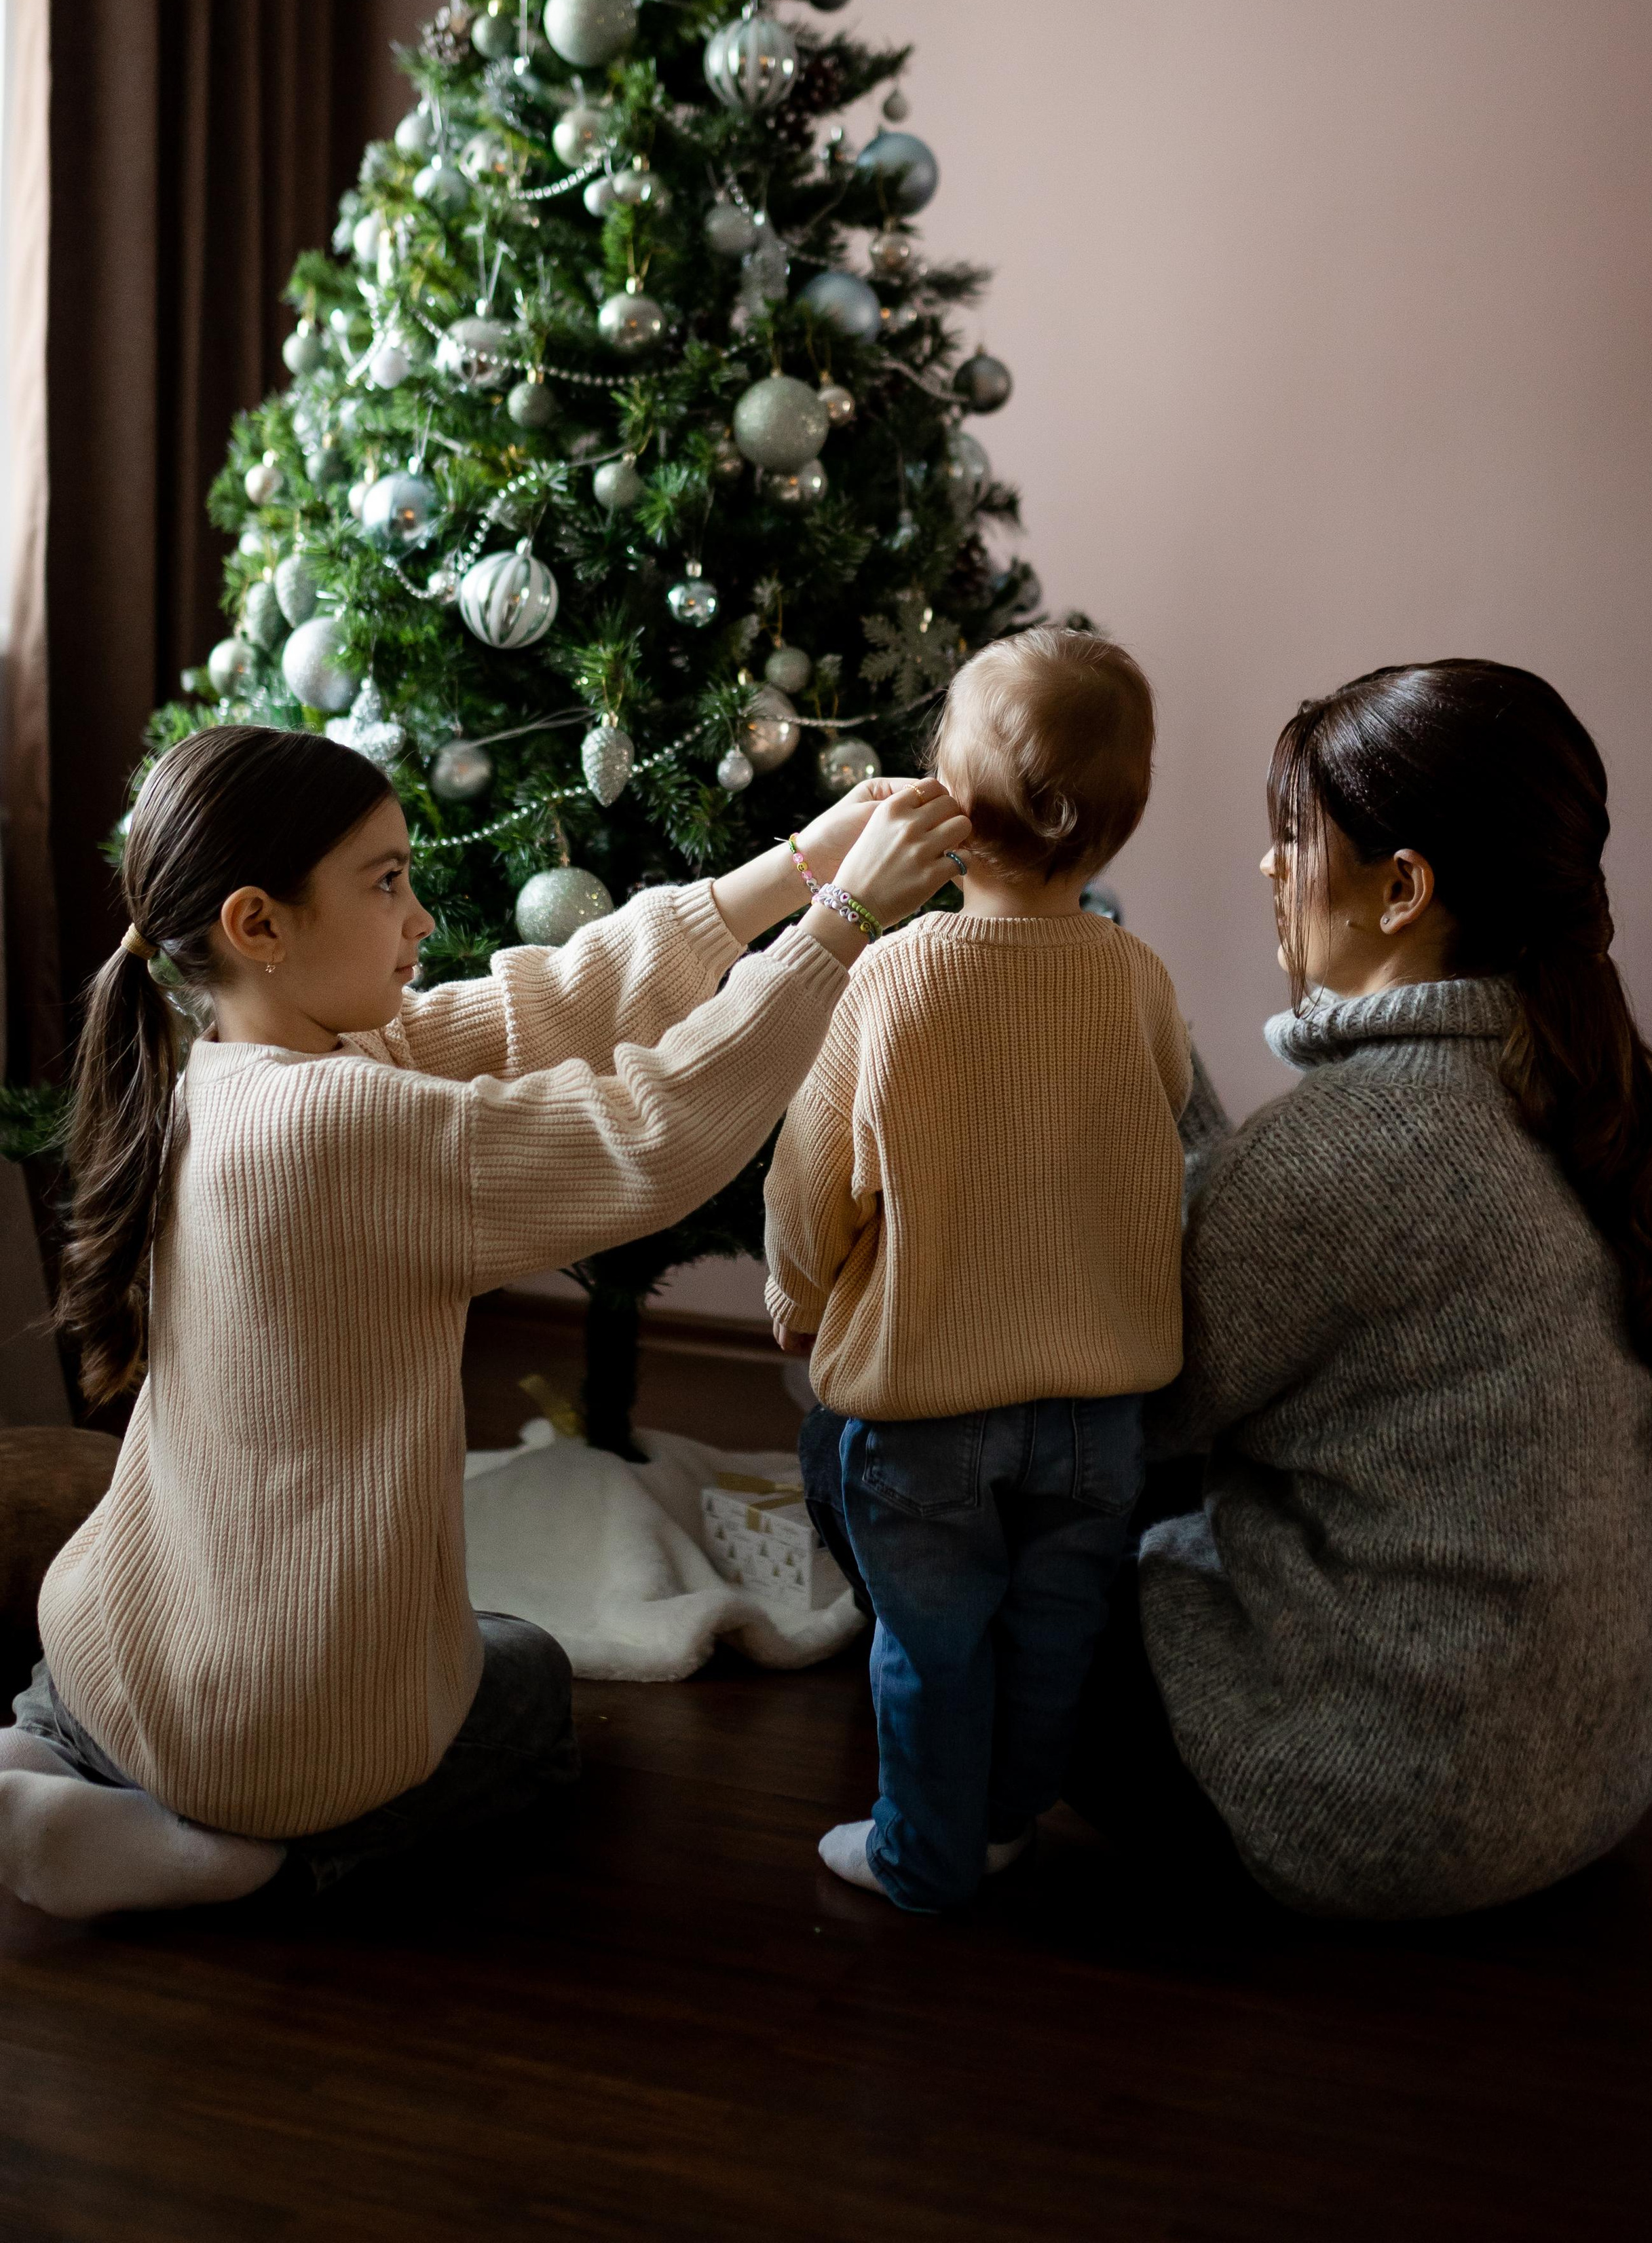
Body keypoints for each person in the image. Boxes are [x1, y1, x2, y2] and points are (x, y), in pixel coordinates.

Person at [0, 724, 970, 1922]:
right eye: (386, 882)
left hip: (116, 1638)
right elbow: (648, 1130)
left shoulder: (221, 1067)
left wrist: (795, 867)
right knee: (526, 1684)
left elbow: (535, 1010)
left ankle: (67, 1751)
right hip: (269, 1719)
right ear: (260, 924)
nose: (419, 919)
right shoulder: (337, 1128)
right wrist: (843, 929)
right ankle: (231, 1854)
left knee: (244, 1664)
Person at [1071, 659, 1652, 1920]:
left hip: (1382, 1813)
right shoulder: (1568, 1084)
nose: (1270, 868)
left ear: (1404, 888)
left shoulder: (1354, 1147)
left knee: (899, 1468)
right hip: (1586, 1780)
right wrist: (1156, 1053)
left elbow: (1141, 1405)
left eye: (1293, 836)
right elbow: (1275, 1254)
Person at [765, 629, 1192, 1910]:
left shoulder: (893, 975)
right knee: (1055, 1628)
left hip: (926, 1406)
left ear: (951, 808)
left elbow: (812, 1173)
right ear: (1112, 833)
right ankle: (1005, 1821)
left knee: (933, 1642)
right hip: (1098, 1408)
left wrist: (796, 1299)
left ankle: (927, 1854)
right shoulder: (1135, 979)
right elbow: (1166, 1115)